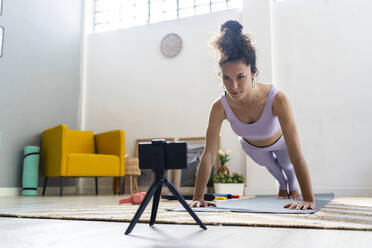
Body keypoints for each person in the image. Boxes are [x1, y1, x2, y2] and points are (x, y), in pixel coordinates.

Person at [190, 20, 315, 210]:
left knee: (287, 165)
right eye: (226, 78)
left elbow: (296, 152)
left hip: (280, 142)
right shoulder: (219, 107)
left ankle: (292, 185)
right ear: (221, 76)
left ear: (253, 72)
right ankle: (282, 184)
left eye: (240, 77)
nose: (234, 86)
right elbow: (208, 155)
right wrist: (198, 197)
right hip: (251, 147)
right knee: (273, 168)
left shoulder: (277, 99)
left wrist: (308, 199)